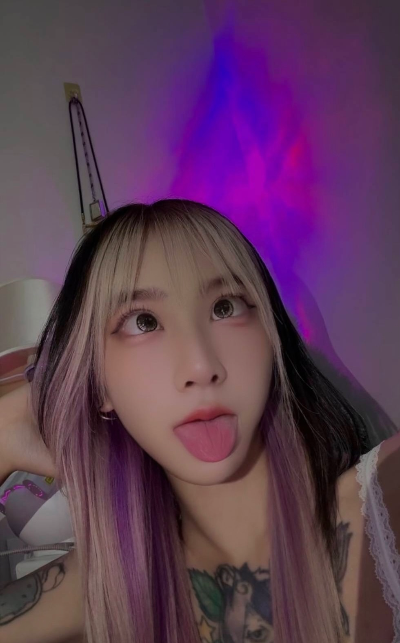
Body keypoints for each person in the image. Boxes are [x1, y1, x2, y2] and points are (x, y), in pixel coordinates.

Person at [0, 199, 399, 643]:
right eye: (143, 322)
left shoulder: (388, 495)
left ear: (271, 338)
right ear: (98, 384)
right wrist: (4, 431)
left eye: (225, 307)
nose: (201, 366)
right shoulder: (108, 586)